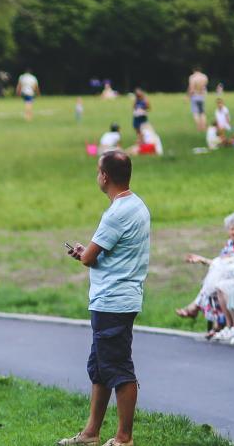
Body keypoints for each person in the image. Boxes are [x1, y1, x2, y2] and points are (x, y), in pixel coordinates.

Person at [61, 151, 148, 446]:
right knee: (100, 366)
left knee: (119, 368)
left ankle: (124, 437)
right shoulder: (138, 206)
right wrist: (88, 253)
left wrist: (81, 253)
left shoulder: (115, 213)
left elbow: (88, 258)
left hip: (112, 299)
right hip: (123, 296)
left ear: (105, 177)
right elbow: (107, 253)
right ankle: (90, 433)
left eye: (98, 171)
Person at [175, 213, 234, 339]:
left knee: (213, 285)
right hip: (229, 275)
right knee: (214, 285)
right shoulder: (230, 244)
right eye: (231, 229)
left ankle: (210, 319)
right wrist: (202, 260)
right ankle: (218, 324)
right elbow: (221, 262)